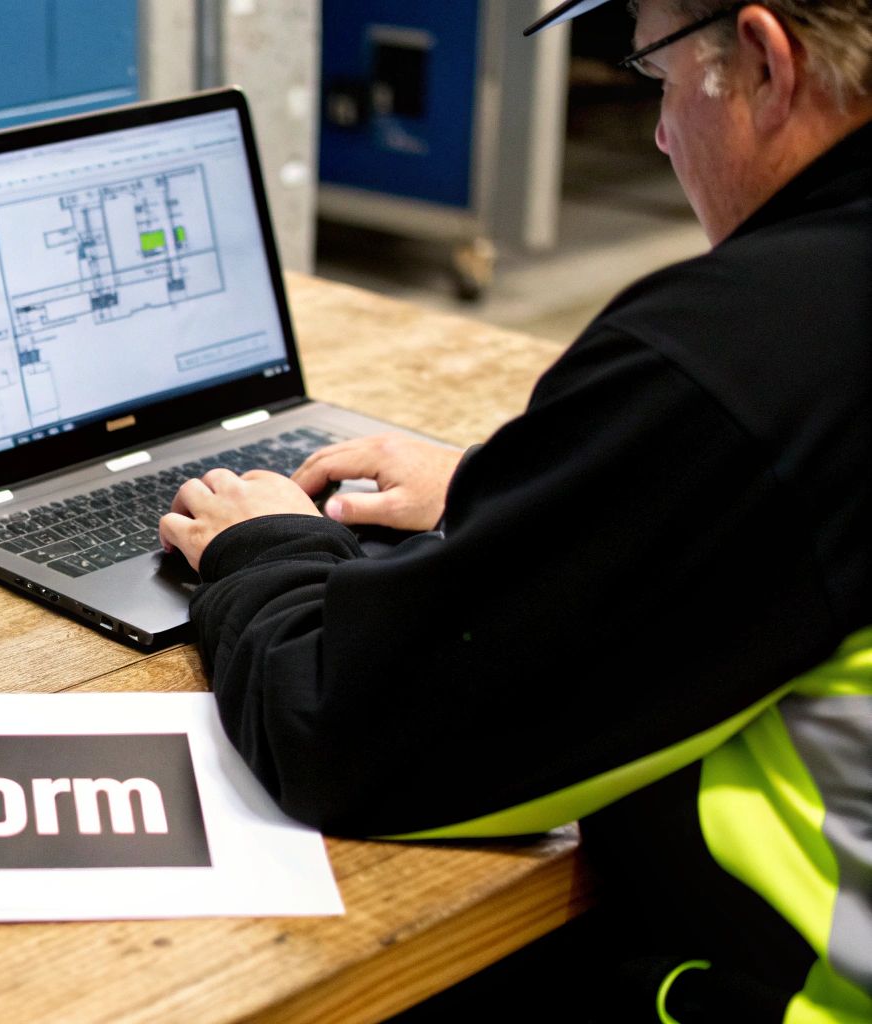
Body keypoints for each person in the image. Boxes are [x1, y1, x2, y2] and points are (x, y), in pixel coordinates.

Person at [156, 1, 872, 1020]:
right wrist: (540, 482)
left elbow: (348, 731)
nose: (662, 134)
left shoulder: (749, 346)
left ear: (762, 62)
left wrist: (260, 547)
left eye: (658, 81)